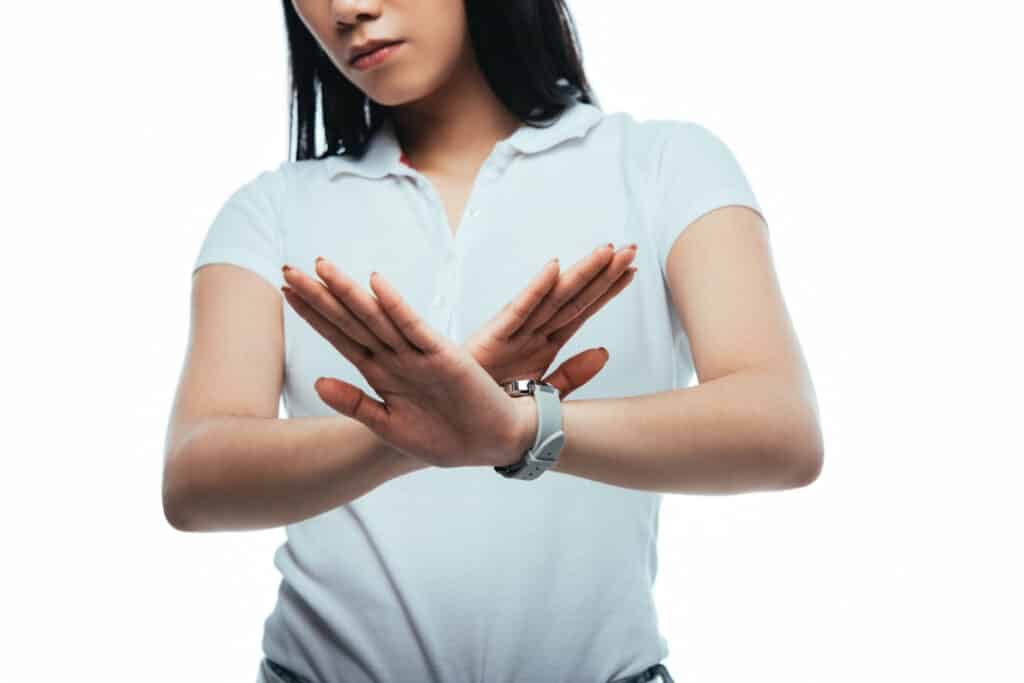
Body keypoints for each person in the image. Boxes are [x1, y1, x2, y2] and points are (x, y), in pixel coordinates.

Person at [163, 1, 823, 682]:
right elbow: (194, 477)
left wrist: (517, 426)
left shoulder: (664, 165)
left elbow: (781, 427)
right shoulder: (271, 210)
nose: (348, 9)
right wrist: (404, 434)